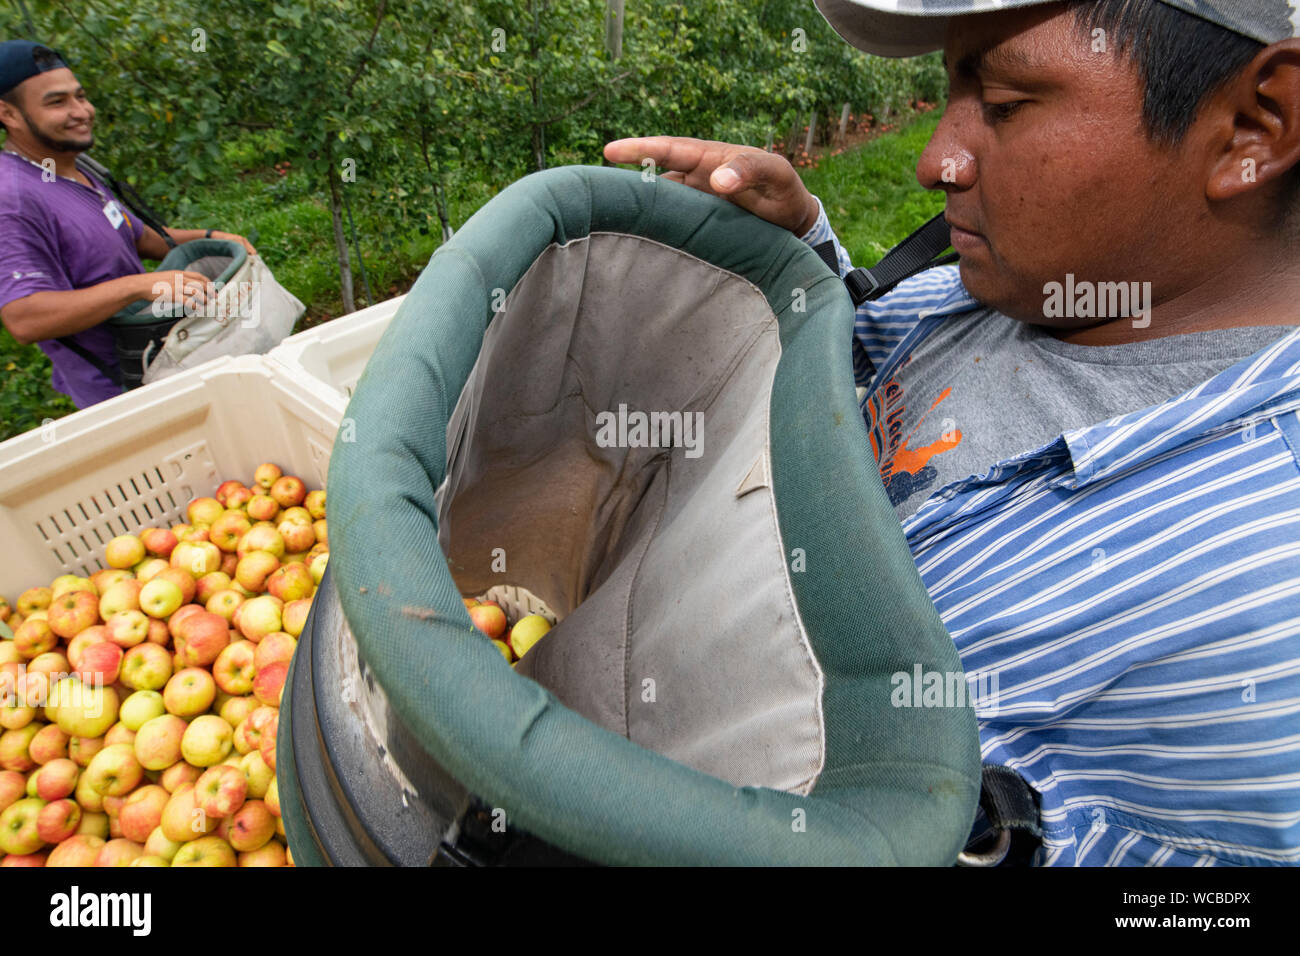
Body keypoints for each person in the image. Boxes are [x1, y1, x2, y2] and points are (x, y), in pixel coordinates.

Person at [606, 0, 1300, 866]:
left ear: (1254, 127)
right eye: (950, 98)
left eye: (1006, 106)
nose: (938, 160)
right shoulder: (1004, 295)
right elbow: (857, 370)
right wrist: (800, 263)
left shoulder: (1255, 618)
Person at [0, 40, 257, 408]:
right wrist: (138, 286)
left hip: (164, 363)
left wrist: (215, 237)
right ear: (7, 114)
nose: (80, 111)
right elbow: (24, 318)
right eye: (57, 102)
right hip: (119, 394)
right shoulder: (13, 198)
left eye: (81, 96)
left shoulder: (71, 166)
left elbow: (141, 238)